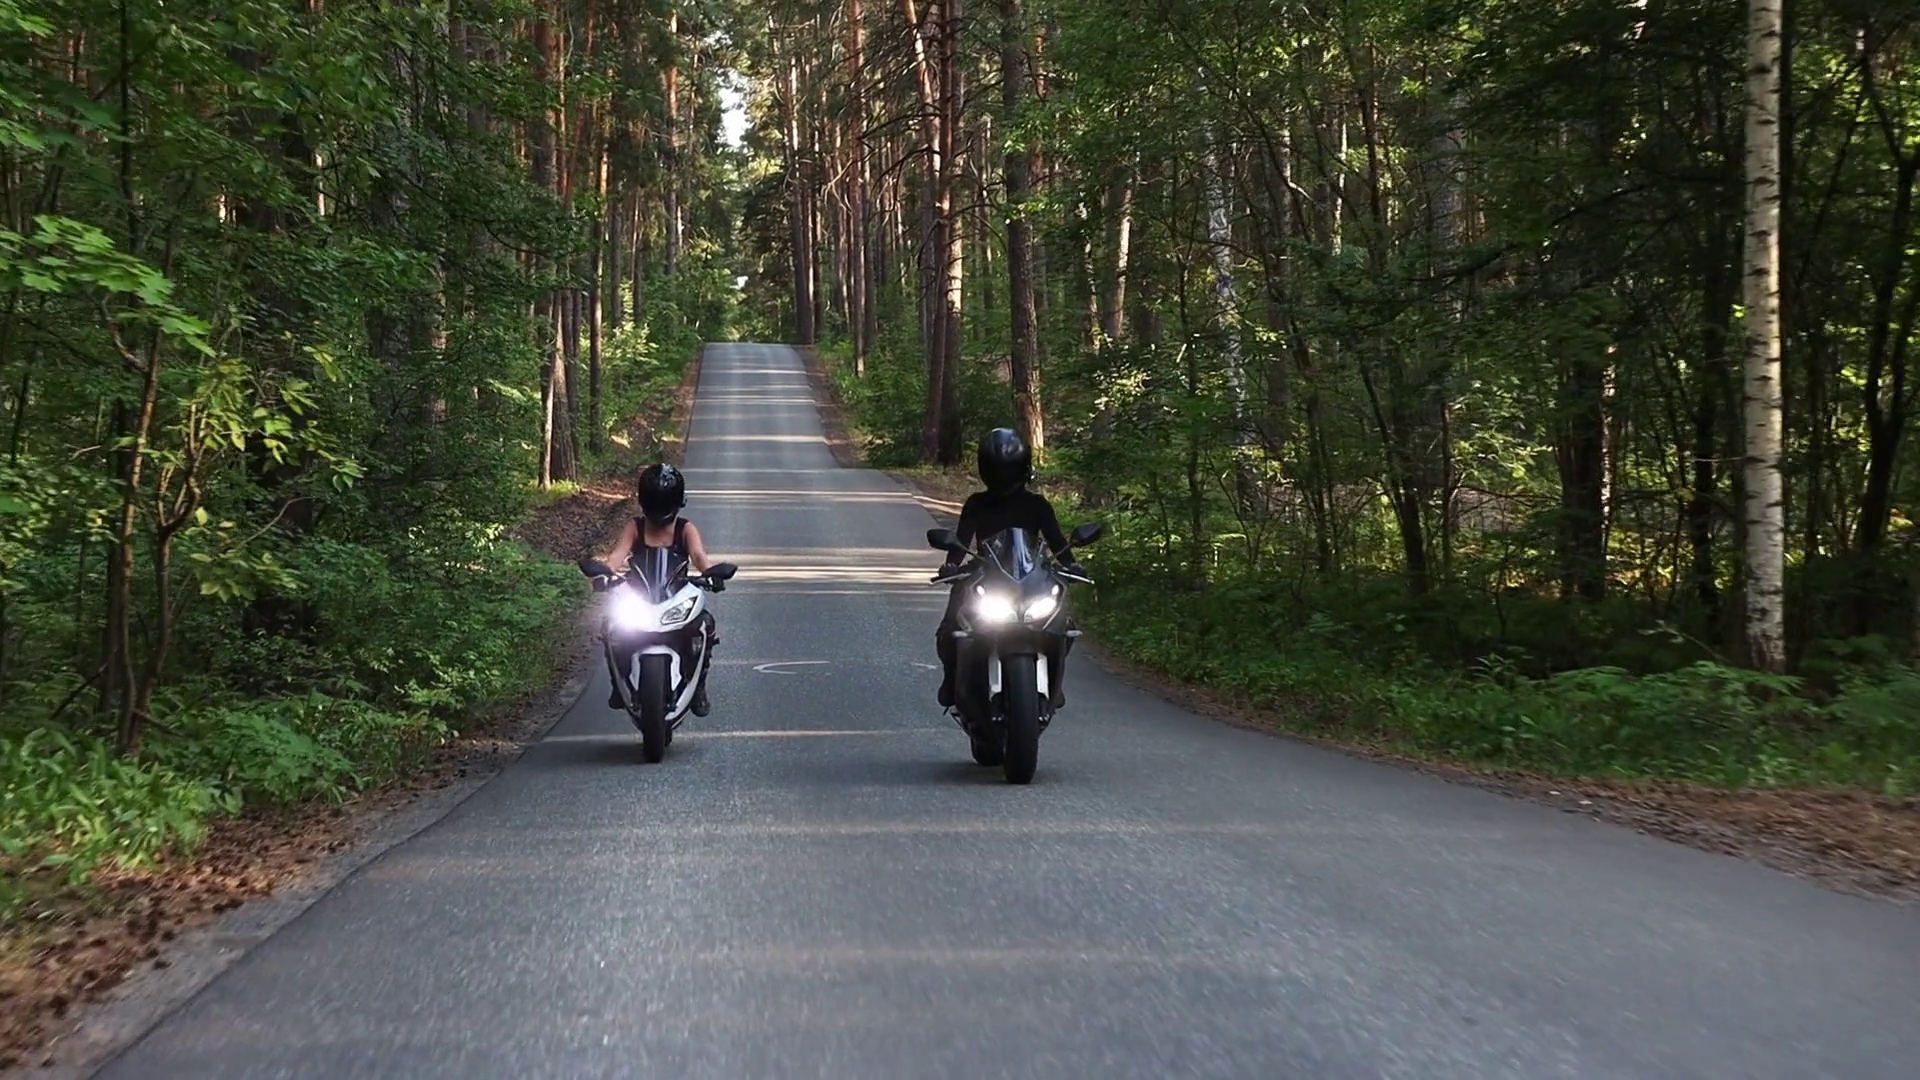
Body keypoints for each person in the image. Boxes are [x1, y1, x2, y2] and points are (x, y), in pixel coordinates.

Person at [935, 428, 1087, 710]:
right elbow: (961, 541)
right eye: (996, 470)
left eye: (1007, 469)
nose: (1002, 476)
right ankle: (951, 678)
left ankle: (1054, 679)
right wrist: (952, 566)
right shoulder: (977, 504)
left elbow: (1056, 541)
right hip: (986, 573)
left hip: (1031, 575)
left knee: (1063, 625)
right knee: (952, 624)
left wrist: (1071, 565)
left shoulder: (1037, 505)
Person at [600, 463, 720, 715]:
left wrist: (711, 573)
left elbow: (699, 556)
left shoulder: (685, 529)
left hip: (676, 595)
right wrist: (605, 573)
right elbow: (617, 555)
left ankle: (698, 686)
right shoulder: (635, 527)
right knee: (610, 626)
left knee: (705, 624)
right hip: (639, 596)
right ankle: (618, 682)